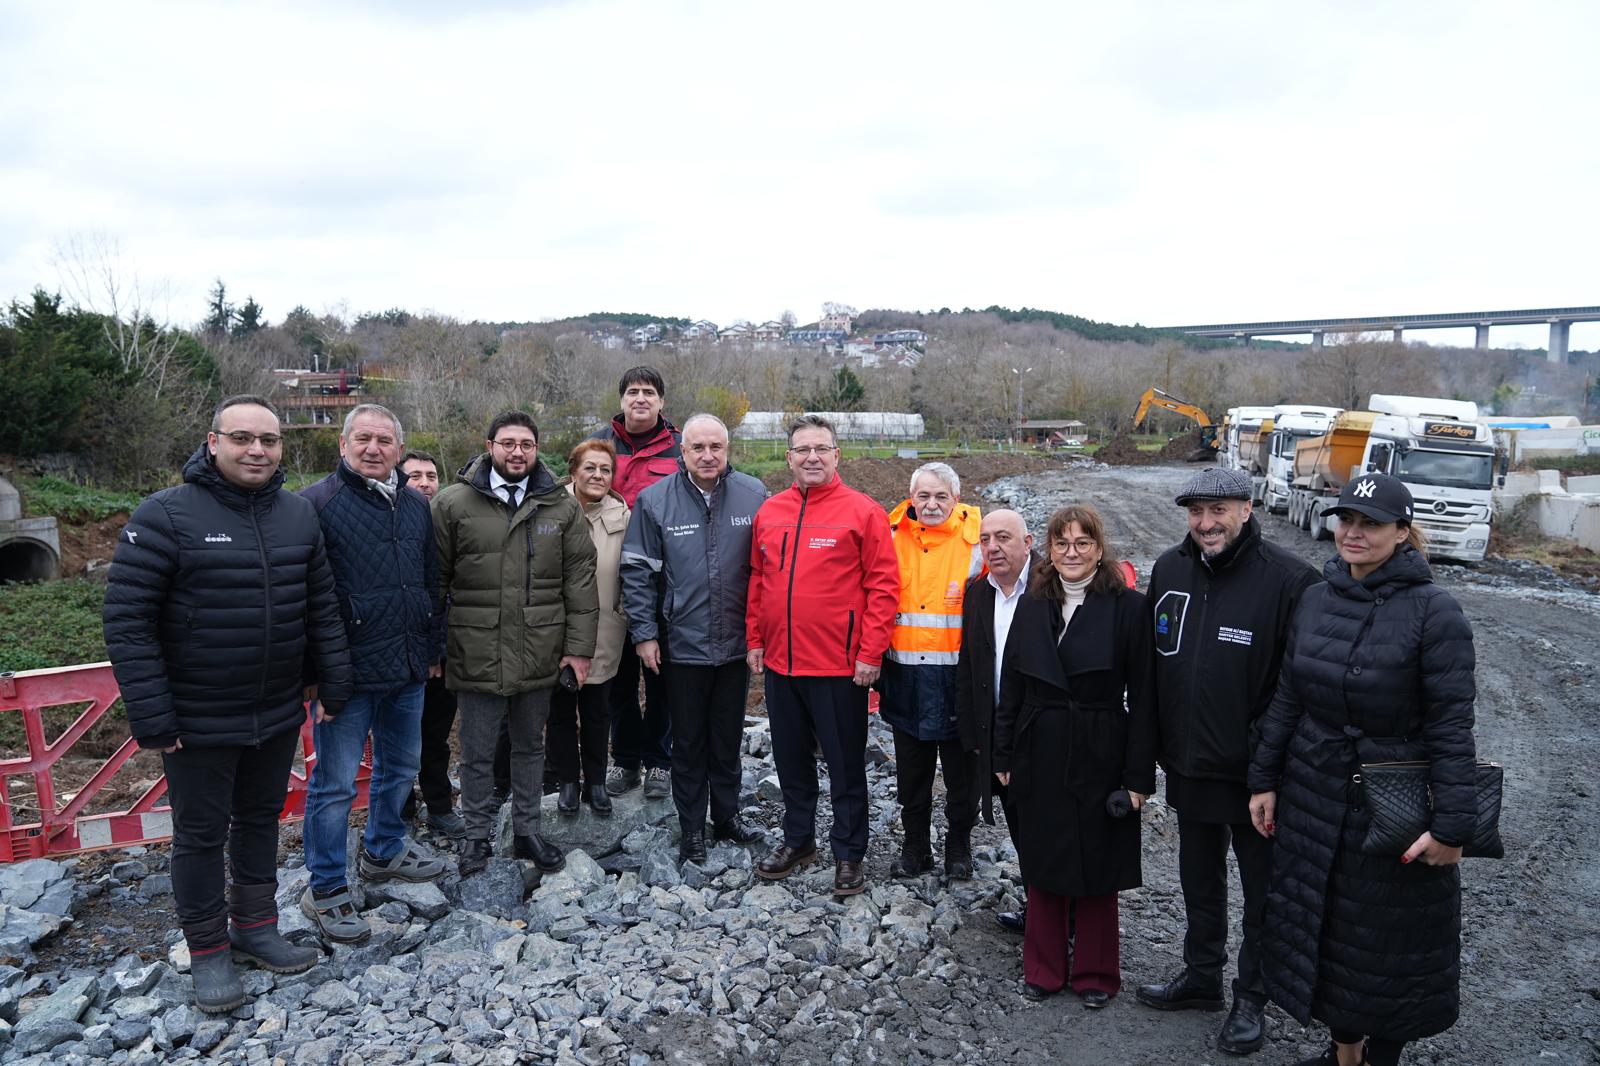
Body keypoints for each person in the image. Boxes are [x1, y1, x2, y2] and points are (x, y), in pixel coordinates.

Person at [102, 394, 353, 1012]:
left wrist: (332, 679)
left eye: (268, 440)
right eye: (242, 438)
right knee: (199, 835)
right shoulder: (165, 514)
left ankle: (256, 927)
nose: (256, 450)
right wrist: (154, 715)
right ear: (213, 442)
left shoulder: (297, 515)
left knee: (262, 819)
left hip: (274, 708)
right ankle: (209, 951)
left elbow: (319, 604)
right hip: (196, 715)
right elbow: (127, 621)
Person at [1247, 474, 1477, 1066]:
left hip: (1393, 804)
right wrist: (1264, 778)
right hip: (1315, 794)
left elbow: (1452, 727)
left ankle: (1381, 1059)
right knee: (1326, 932)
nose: (1352, 533)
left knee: (1386, 944)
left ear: (1403, 533)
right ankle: (1342, 1054)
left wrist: (1453, 826)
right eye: (1345, 519)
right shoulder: (1317, 598)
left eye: (1370, 523)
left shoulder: (1435, 613)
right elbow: (1289, 696)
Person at [1137, 467, 1317, 1056]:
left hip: (1256, 778)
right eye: (1196, 512)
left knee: (1262, 892)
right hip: (1189, 766)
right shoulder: (1169, 570)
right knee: (1198, 879)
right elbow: (1155, 666)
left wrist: (1265, 761)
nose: (1206, 523)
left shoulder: (1290, 581)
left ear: (1246, 509)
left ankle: (1251, 997)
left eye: (1218, 511)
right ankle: (1202, 976)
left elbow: (1298, 690)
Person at [992, 505, 1156, 1008]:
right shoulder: (1034, 603)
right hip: (1038, 744)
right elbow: (1013, 683)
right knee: (1043, 858)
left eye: (1082, 543)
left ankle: (1095, 973)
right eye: (1061, 543)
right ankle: (1042, 968)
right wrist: (1002, 751)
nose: (1071, 553)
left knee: (1097, 862)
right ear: (1049, 549)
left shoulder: (1128, 607)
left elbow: (1146, 697)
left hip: (1100, 743)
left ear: (1099, 549)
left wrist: (1137, 778)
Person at [299, 404, 446, 943]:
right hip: (347, 674)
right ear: (343, 444)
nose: (374, 448)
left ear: (399, 451)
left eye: (385, 440)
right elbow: (305, 599)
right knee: (335, 785)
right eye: (363, 438)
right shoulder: (316, 504)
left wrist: (431, 648)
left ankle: (384, 849)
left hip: (406, 666)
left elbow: (430, 582)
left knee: (400, 765)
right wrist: (313, 672)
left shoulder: (413, 504)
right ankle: (327, 886)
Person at [432, 411, 598, 876]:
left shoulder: (560, 507)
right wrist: (434, 648)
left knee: (529, 746)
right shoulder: (451, 504)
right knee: (478, 750)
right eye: (508, 443)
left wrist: (579, 649)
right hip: (475, 649)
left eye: (526, 443)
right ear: (490, 447)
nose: (517, 451)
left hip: (539, 650)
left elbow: (580, 583)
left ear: (536, 449)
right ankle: (476, 838)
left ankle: (527, 830)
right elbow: (435, 583)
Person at [747, 415, 898, 896]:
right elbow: (757, 579)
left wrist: (871, 652)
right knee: (791, 761)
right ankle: (798, 840)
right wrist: (755, 639)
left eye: (821, 448)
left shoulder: (863, 512)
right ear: (788, 457)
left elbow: (883, 587)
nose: (812, 457)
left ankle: (849, 853)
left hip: (839, 667)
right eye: (802, 449)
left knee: (845, 764)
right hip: (782, 665)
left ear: (837, 455)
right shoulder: (770, 511)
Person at [620, 414, 767, 864]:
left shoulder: (754, 495)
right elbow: (636, 572)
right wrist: (645, 635)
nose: (708, 455)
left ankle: (726, 817)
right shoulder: (654, 500)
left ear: (727, 449)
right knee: (687, 743)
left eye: (716, 447)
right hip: (680, 645)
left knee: (726, 740)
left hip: (735, 646)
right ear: (681, 451)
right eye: (698, 447)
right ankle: (691, 829)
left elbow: (768, 570)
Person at [880, 462, 983, 880]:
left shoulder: (977, 543)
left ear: (956, 499)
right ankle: (916, 847)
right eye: (923, 496)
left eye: (941, 496)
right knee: (912, 776)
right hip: (905, 678)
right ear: (911, 498)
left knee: (963, 778)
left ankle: (959, 846)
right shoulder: (890, 539)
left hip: (960, 682)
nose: (932, 504)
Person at [589, 366, 680, 801]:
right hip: (607, 582)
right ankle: (624, 761)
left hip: (663, 584)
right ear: (621, 400)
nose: (640, 399)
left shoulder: (680, 449)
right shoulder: (599, 444)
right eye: (632, 392)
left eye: (648, 392)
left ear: (662, 402)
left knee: (661, 678)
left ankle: (660, 763)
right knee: (617, 681)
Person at [953, 508, 1036, 933]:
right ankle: (1038, 907)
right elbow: (970, 665)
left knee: (1046, 826)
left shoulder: (1048, 590)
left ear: (1029, 542)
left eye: (1003, 538)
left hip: (1040, 735)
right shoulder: (978, 593)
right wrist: (973, 733)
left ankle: (1060, 913)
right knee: (1019, 823)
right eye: (985, 539)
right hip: (995, 734)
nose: (993, 547)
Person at [548, 439, 628, 819]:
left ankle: (596, 781)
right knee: (560, 710)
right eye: (590, 467)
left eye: (605, 469)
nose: (598, 475)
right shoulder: (551, 508)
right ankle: (567, 781)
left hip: (605, 630)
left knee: (598, 710)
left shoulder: (622, 514)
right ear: (574, 470)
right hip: (556, 629)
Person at [397, 449, 467, 838]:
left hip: (443, 651)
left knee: (436, 738)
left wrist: (437, 651)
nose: (424, 483)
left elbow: (447, 593)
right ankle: (400, 810)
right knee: (398, 740)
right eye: (415, 476)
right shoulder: (393, 521)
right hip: (398, 653)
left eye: (430, 475)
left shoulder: (447, 522)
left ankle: (439, 805)